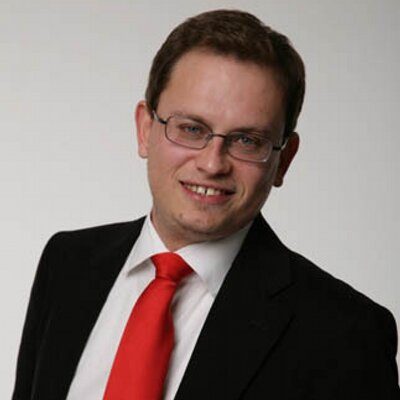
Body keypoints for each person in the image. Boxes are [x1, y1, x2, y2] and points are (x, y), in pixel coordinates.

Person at [12, 9, 399, 400]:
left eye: (247, 140)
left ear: (284, 159)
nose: (212, 164)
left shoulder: (347, 335)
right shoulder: (67, 263)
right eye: (191, 128)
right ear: (145, 129)